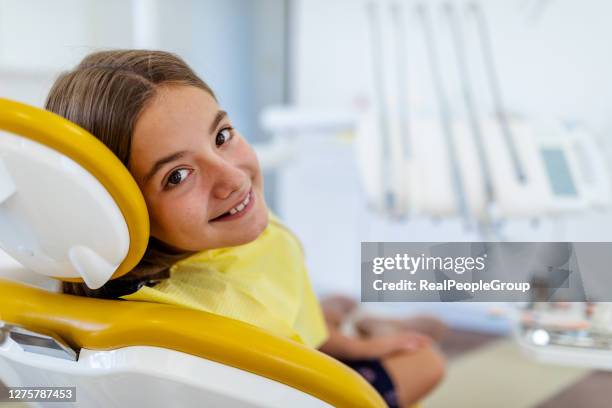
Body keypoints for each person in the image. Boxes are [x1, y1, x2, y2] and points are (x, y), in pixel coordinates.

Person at [47, 50, 445, 407]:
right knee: (427, 356)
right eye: (178, 175)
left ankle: (344, 321)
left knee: (334, 307)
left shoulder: (216, 251)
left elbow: (288, 317)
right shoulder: (201, 318)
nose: (233, 178)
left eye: (221, 136)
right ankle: (357, 320)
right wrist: (357, 351)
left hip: (303, 346)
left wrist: (349, 345)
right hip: (311, 389)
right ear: (114, 209)